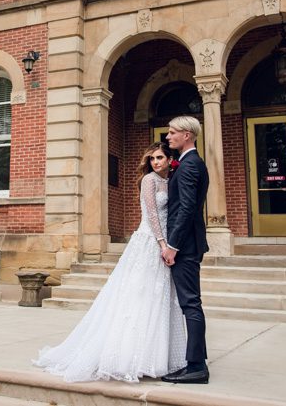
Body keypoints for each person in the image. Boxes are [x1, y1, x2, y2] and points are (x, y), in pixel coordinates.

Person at [34, 142, 186, 383]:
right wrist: (162, 243)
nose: (155, 162)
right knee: (138, 296)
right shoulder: (149, 181)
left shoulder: (172, 180)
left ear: (169, 160)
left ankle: (154, 357)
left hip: (166, 243)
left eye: (159, 158)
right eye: (152, 159)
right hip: (149, 241)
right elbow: (152, 215)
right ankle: (128, 357)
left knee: (158, 298)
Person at [161, 116, 211, 384]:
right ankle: (195, 362)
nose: (168, 137)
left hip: (186, 245)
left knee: (190, 303)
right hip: (187, 243)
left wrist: (173, 245)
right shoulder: (189, 162)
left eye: (172, 132)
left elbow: (187, 208)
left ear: (187, 135)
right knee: (190, 302)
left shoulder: (191, 165)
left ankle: (196, 367)